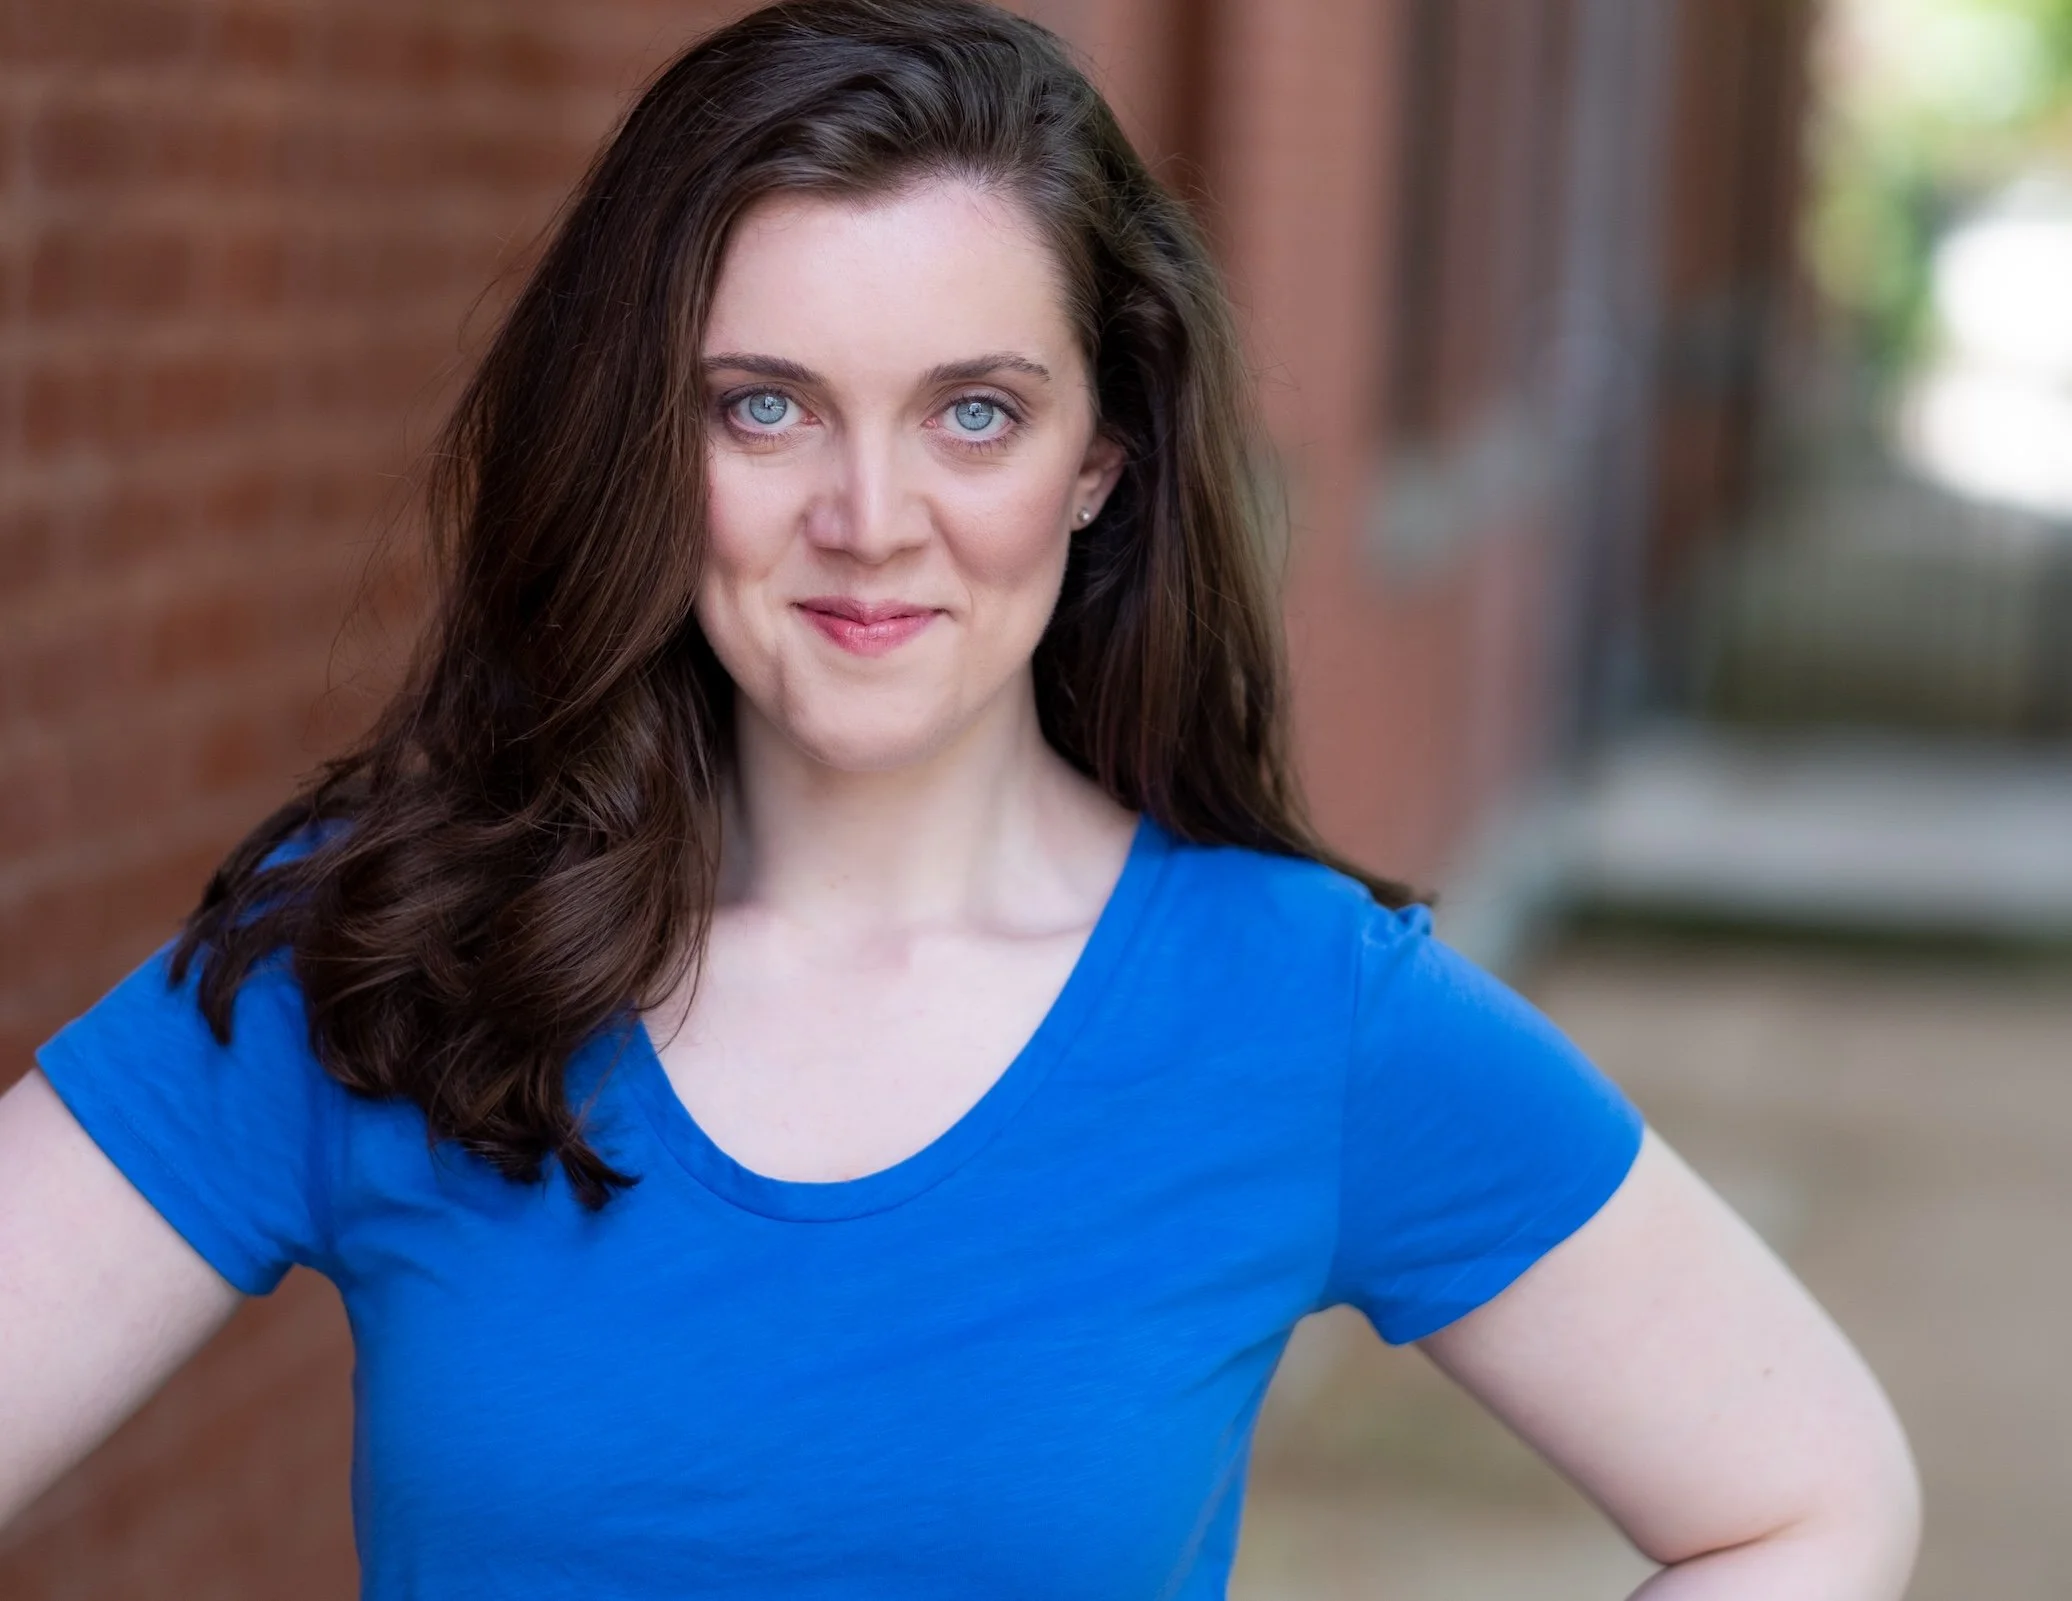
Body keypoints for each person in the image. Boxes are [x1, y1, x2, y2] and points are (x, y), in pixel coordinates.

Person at [0, 1, 1919, 1595]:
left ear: (1101, 457)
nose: (868, 518)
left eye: (974, 413)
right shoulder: (402, 949)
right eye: (764, 405)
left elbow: (1808, 1500)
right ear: (648, 443)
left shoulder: (1292, 1011)